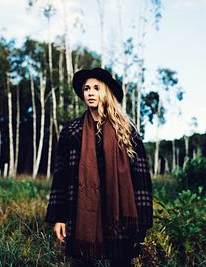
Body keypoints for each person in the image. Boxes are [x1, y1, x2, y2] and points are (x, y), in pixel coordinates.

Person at [45, 67, 153, 267]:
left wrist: (143, 220)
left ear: (106, 92)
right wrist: (58, 217)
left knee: (121, 262)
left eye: (96, 88)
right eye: (87, 89)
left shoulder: (127, 132)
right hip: (82, 212)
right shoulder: (72, 132)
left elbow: (141, 179)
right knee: (82, 262)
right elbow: (61, 177)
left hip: (119, 214)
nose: (91, 93)